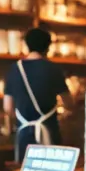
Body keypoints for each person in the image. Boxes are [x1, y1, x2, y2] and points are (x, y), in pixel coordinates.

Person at [4, 28, 68, 162]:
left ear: (26, 45)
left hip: (24, 135)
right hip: (49, 133)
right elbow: (69, 103)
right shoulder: (54, 69)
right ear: (48, 47)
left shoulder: (14, 69)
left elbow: (8, 107)